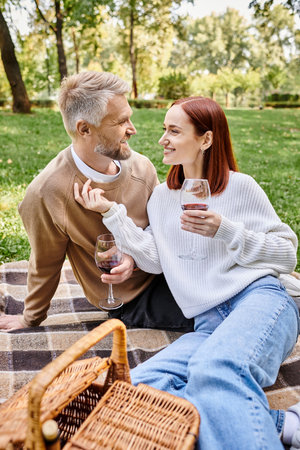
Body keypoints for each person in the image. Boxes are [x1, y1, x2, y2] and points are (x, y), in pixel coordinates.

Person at [75, 96, 300, 449]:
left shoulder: (241, 188)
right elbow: (155, 259)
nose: (162, 138)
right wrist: (111, 212)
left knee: (215, 372)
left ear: (206, 140)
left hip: (258, 302)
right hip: (207, 324)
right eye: (165, 129)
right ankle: (282, 425)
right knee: (140, 388)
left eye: (174, 130)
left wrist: (224, 230)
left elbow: (286, 255)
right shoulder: (163, 197)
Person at [0, 71, 193, 333]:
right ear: (84, 128)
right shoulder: (47, 193)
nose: (132, 130)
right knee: (212, 314)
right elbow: (44, 264)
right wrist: (30, 318)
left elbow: (163, 228)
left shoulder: (142, 168)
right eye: (121, 121)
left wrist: (134, 260)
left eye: (130, 118)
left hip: (171, 267)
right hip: (130, 298)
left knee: (237, 286)